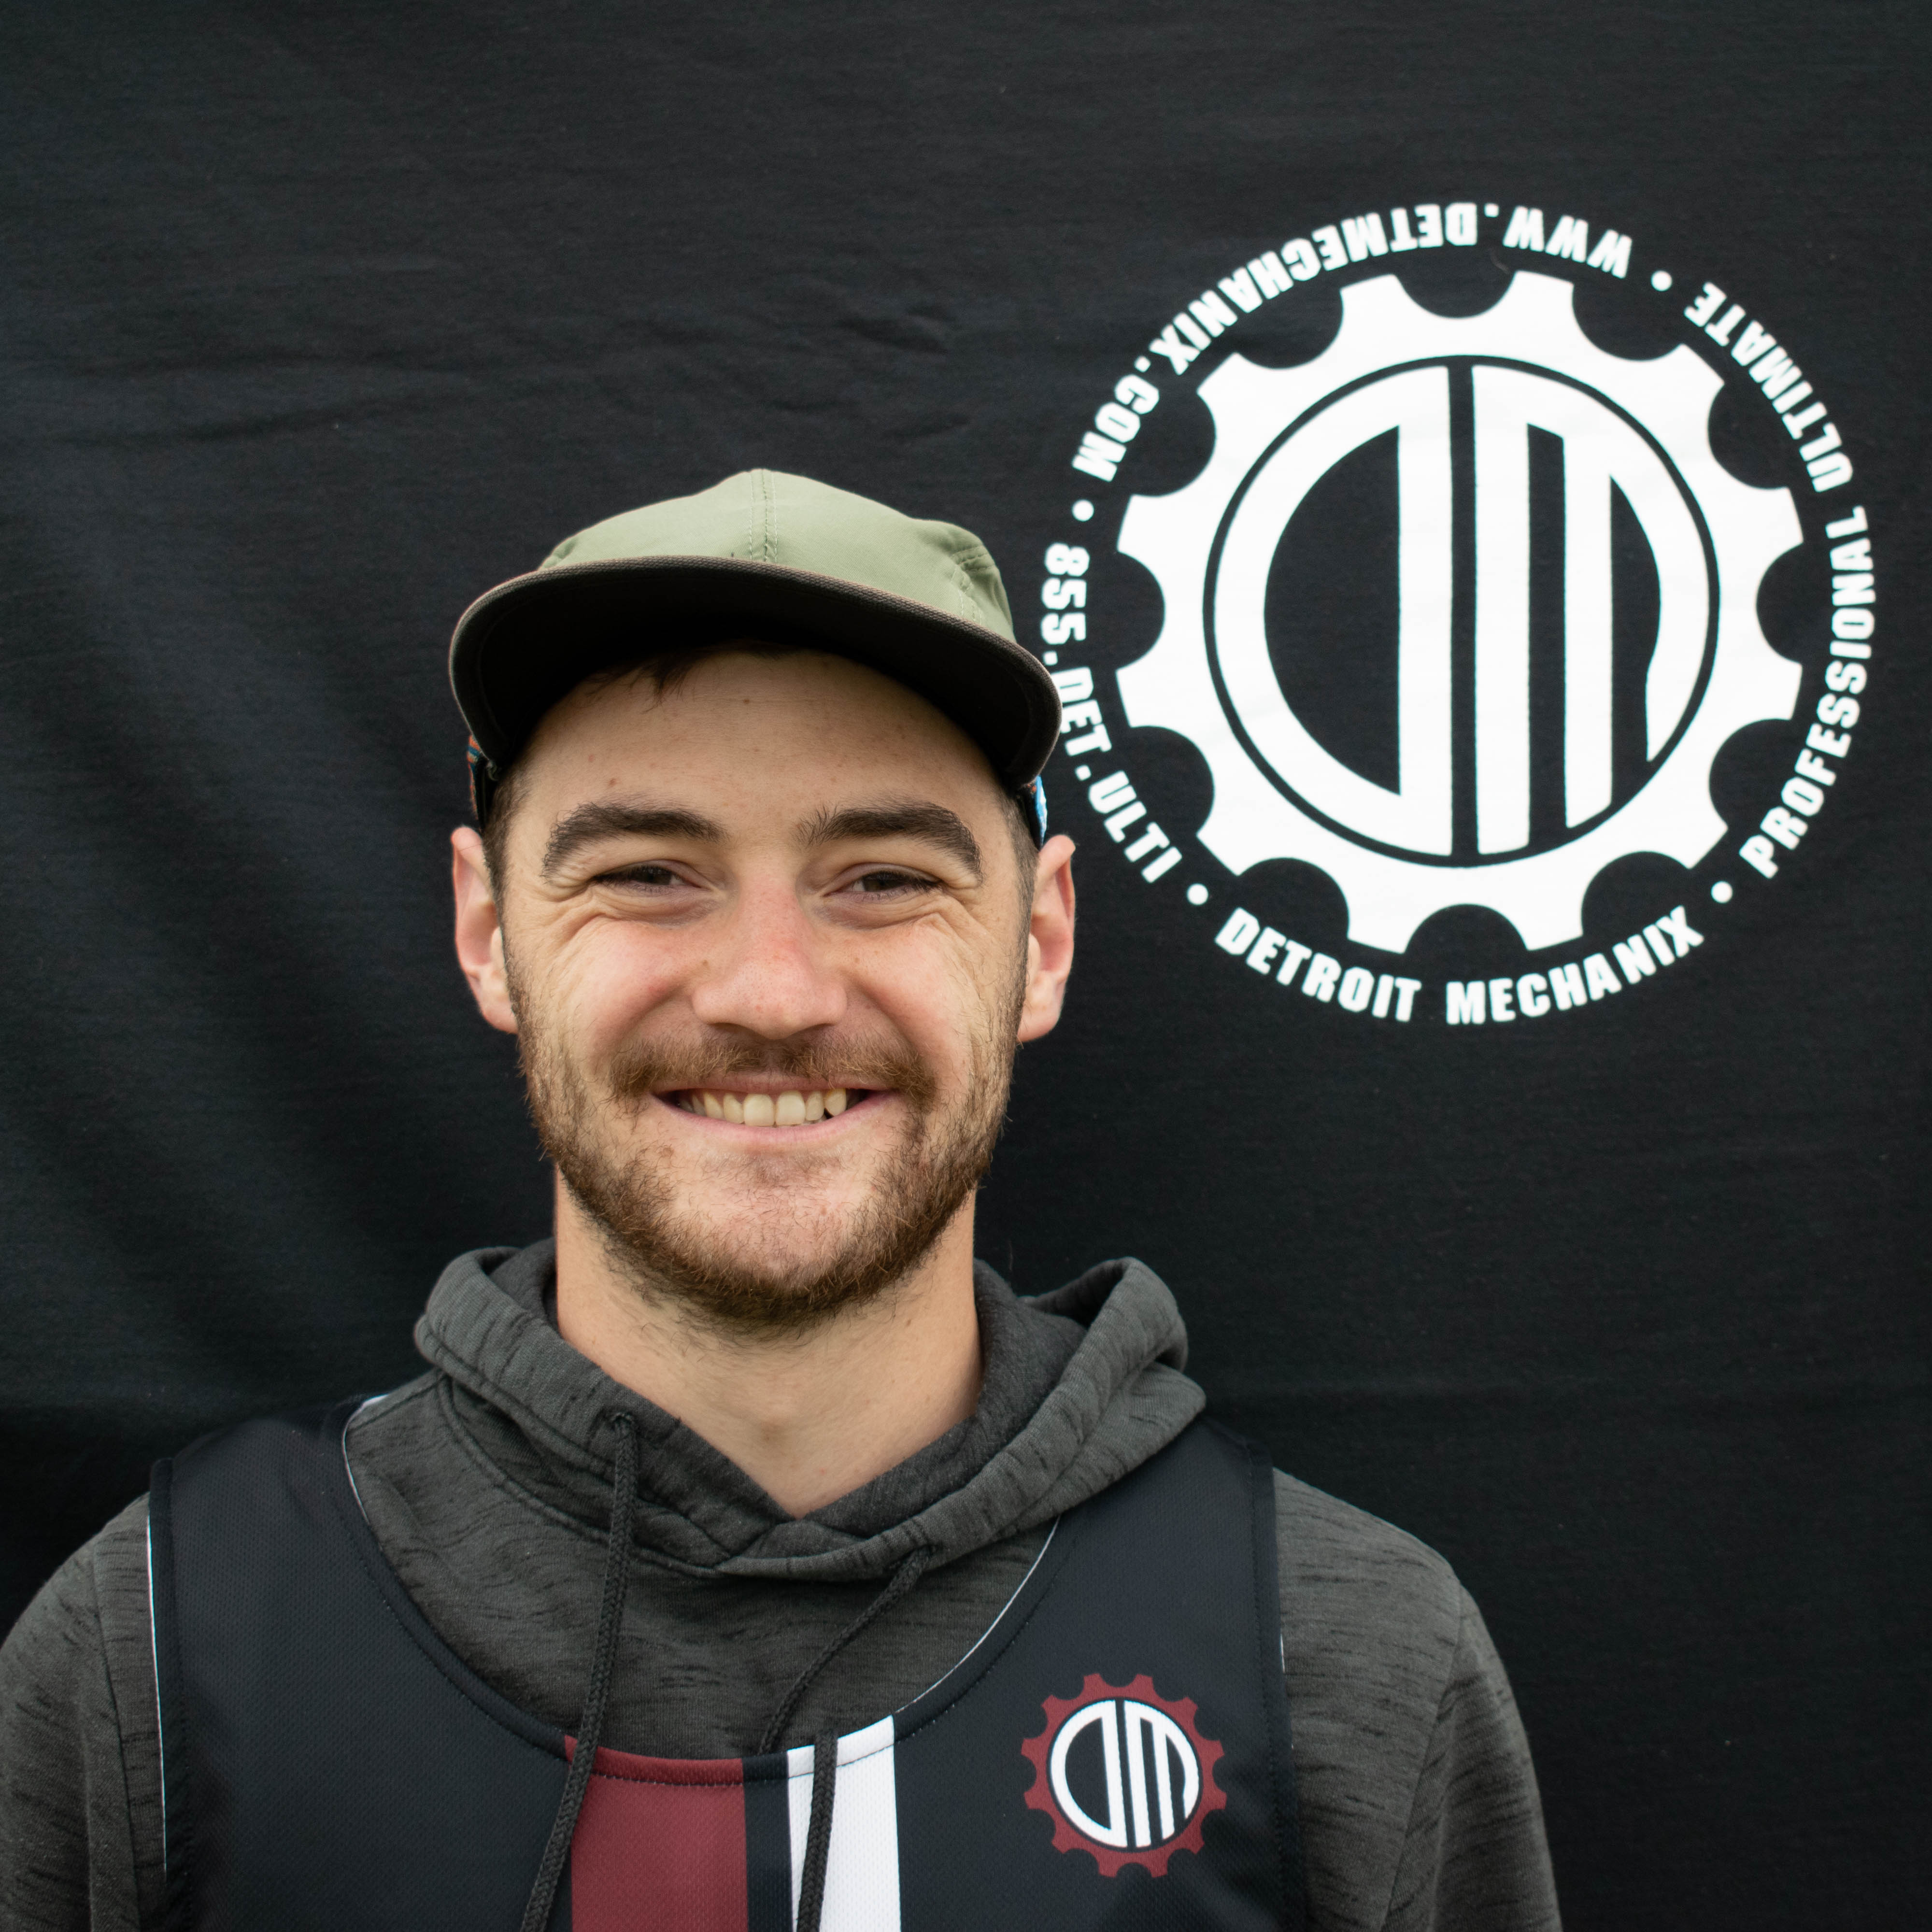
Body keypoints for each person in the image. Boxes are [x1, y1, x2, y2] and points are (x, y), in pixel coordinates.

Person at [0, 469, 1561, 1931]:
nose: (769, 992)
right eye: (647, 872)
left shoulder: (1342, 1655)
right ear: (488, 932)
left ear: (1040, 941)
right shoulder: (158, 1651)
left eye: (884, 877)